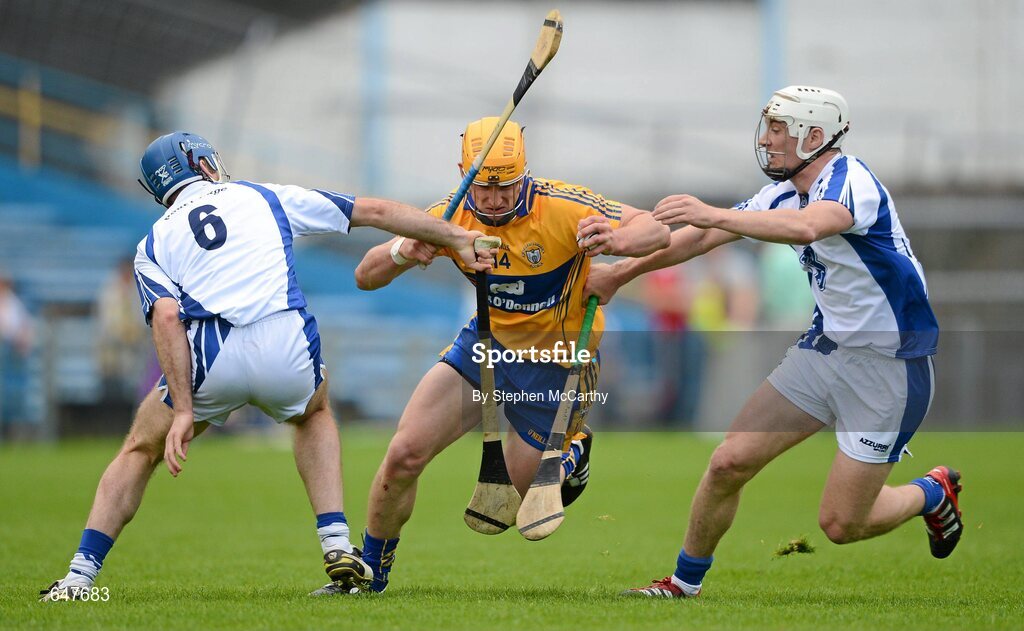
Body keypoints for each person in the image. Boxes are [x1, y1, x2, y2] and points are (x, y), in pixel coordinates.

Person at [40, 131, 493, 601]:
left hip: (212, 358)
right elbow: (375, 212)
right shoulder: (262, 195)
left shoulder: (151, 245)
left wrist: (182, 411)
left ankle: (79, 577)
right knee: (312, 413)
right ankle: (336, 542)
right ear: (202, 163)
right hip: (286, 346)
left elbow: (168, 318)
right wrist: (455, 235)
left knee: (139, 450)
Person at [585, 86, 960, 599]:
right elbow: (698, 238)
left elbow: (807, 228)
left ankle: (931, 494)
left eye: (779, 130)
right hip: (823, 351)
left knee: (842, 524)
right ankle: (683, 583)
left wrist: (712, 211)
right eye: (768, 127)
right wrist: (620, 274)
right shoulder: (779, 192)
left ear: (815, 135)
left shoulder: (854, 181)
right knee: (727, 463)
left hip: (889, 365)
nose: (767, 140)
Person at [352, 117, 670, 593]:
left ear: (525, 173)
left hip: (558, 361)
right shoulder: (449, 215)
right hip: (484, 345)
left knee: (515, 511)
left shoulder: (563, 206)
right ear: (464, 174)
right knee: (403, 454)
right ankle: (370, 572)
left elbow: (657, 229)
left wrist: (617, 241)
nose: (496, 199)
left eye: (508, 186)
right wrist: (404, 249)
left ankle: (573, 454)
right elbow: (365, 275)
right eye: (484, 188)